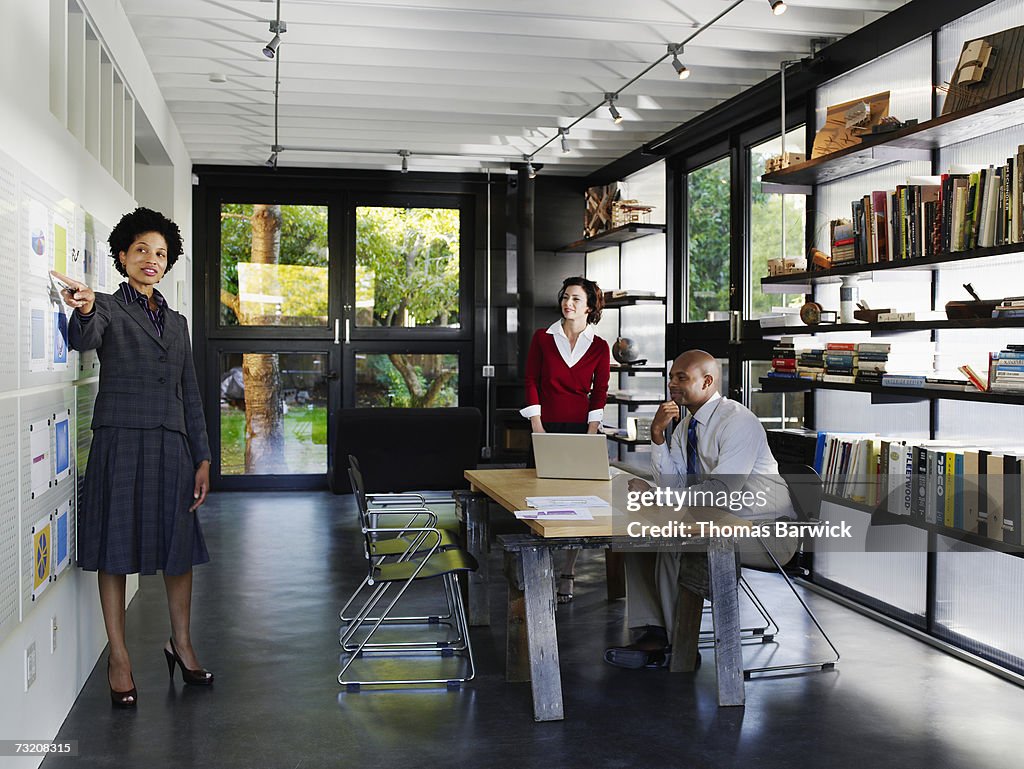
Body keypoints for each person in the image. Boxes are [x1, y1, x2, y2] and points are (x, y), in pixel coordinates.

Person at [53, 207, 214, 708]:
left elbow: (190, 392)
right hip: (120, 440)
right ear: (122, 255)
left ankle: (181, 643)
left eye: (161, 253)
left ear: (169, 264)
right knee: (116, 546)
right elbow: (85, 338)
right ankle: (118, 657)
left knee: (177, 546)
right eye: (142, 250)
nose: (152, 259)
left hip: (172, 444)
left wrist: (203, 457)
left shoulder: (178, 321)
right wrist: (81, 307)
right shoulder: (103, 306)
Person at [604, 349, 797, 668]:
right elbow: (675, 484)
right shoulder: (685, 426)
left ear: (707, 381)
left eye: (682, 378)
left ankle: (679, 649)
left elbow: (721, 491)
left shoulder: (738, 422)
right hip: (717, 520)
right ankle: (653, 632)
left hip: (766, 530)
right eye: (671, 378)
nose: (672, 385)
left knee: (671, 542)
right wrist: (656, 436)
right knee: (636, 540)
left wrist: (661, 496)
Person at [520, 276, 610, 602]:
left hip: (580, 430)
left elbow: (599, 392)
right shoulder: (542, 338)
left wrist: (590, 433)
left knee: (577, 503)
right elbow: (530, 379)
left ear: (589, 306)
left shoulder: (599, 346)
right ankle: (538, 569)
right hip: (543, 427)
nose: (567, 303)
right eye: (565, 297)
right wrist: (536, 424)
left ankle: (568, 572)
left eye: (575, 299)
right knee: (538, 498)